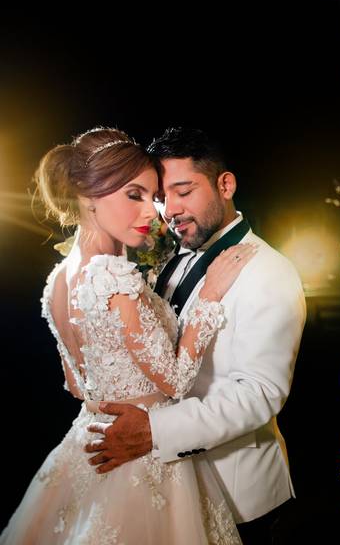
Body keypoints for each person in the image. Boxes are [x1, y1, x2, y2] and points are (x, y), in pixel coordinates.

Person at [1, 127, 250, 543]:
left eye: (153, 197)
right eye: (135, 195)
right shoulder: (114, 277)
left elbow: (77, 386)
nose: (153, 211)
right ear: (87, 196)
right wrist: (208, 296)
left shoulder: (58, 279)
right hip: (141, 457)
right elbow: (174, 381)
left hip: (88, 444)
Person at [83, 127, 306, 544]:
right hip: (171, 489)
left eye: (184, 191)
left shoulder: (270, 272)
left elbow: (258, 393)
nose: (170, 210)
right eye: (163, 197)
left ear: (225, 184)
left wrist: (154, 431)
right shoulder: (170, 261)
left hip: (238, 496)